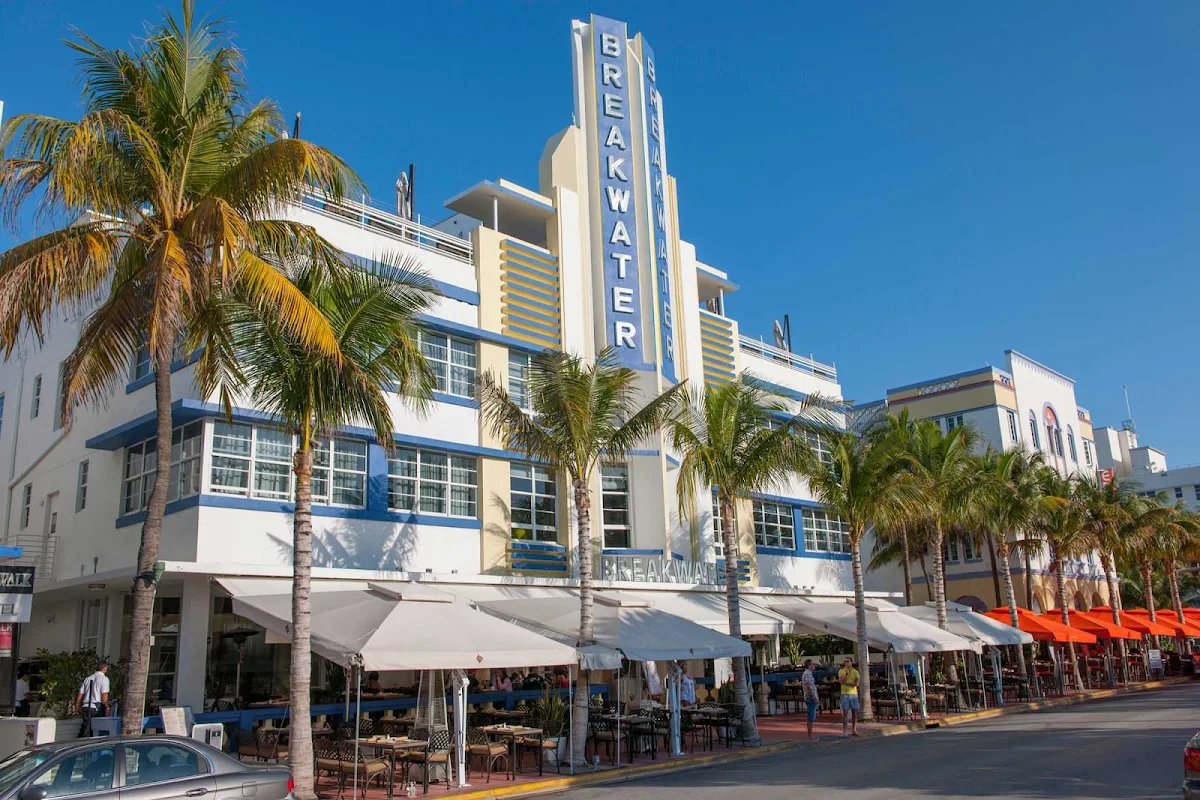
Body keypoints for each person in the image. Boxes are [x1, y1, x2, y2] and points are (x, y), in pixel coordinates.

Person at [75, 661, 110, 738]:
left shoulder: (88, 678)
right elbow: (104, 694)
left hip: (86, 706)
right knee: (96, 730)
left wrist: (77, 705)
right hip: (97, 707)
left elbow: (81, 693)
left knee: (86, 728)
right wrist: (107, 707)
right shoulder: (104, 679)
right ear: (104, 668)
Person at [837, 656, 860, 738]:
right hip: (845, 694)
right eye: (845, 661)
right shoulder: (841, 671)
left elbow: (856, 683)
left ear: (851, 662)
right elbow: (841, 681)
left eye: (848, 661)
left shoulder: (855, 672)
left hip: (853, 694)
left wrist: (846, 683)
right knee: (845, 713)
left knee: (854, 713)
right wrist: (846, 676)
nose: (846, 662)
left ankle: (854, 730)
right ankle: (845, 731)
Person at [802, 659, 820, 739]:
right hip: (810, 697)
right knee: (811, 716)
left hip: (810, 696)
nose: (814, 666)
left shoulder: (808, 673)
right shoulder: (808, 673)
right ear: (809, 666)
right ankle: (810, 735)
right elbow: (808, 685)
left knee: (811, 715)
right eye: (813, 664)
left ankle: (810, 734)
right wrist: (814, 696)